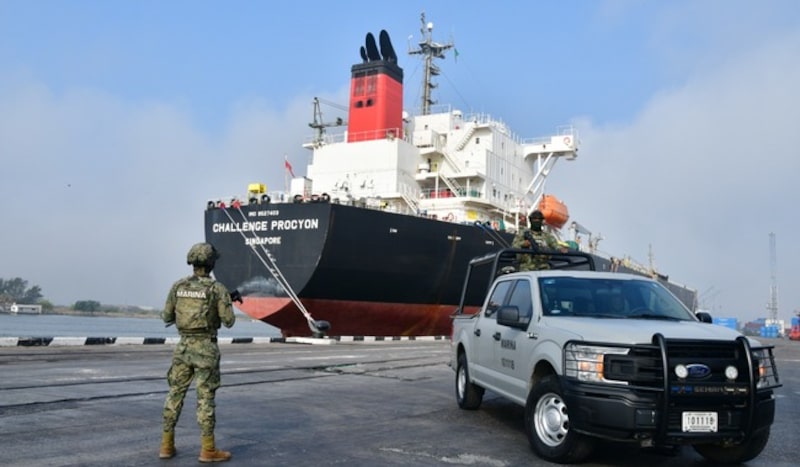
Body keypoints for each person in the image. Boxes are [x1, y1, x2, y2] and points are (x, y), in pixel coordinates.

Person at [159, 242, 236, 462]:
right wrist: (227, 302)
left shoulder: (177, 286)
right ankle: (208, 450)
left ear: (192, 262)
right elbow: (228, 321)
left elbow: (166, 317)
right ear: (211, 263)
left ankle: (166, 446)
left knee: (175, 393)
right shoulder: (217, 289)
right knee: (205, 398)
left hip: (183, 348)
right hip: (206, 349)